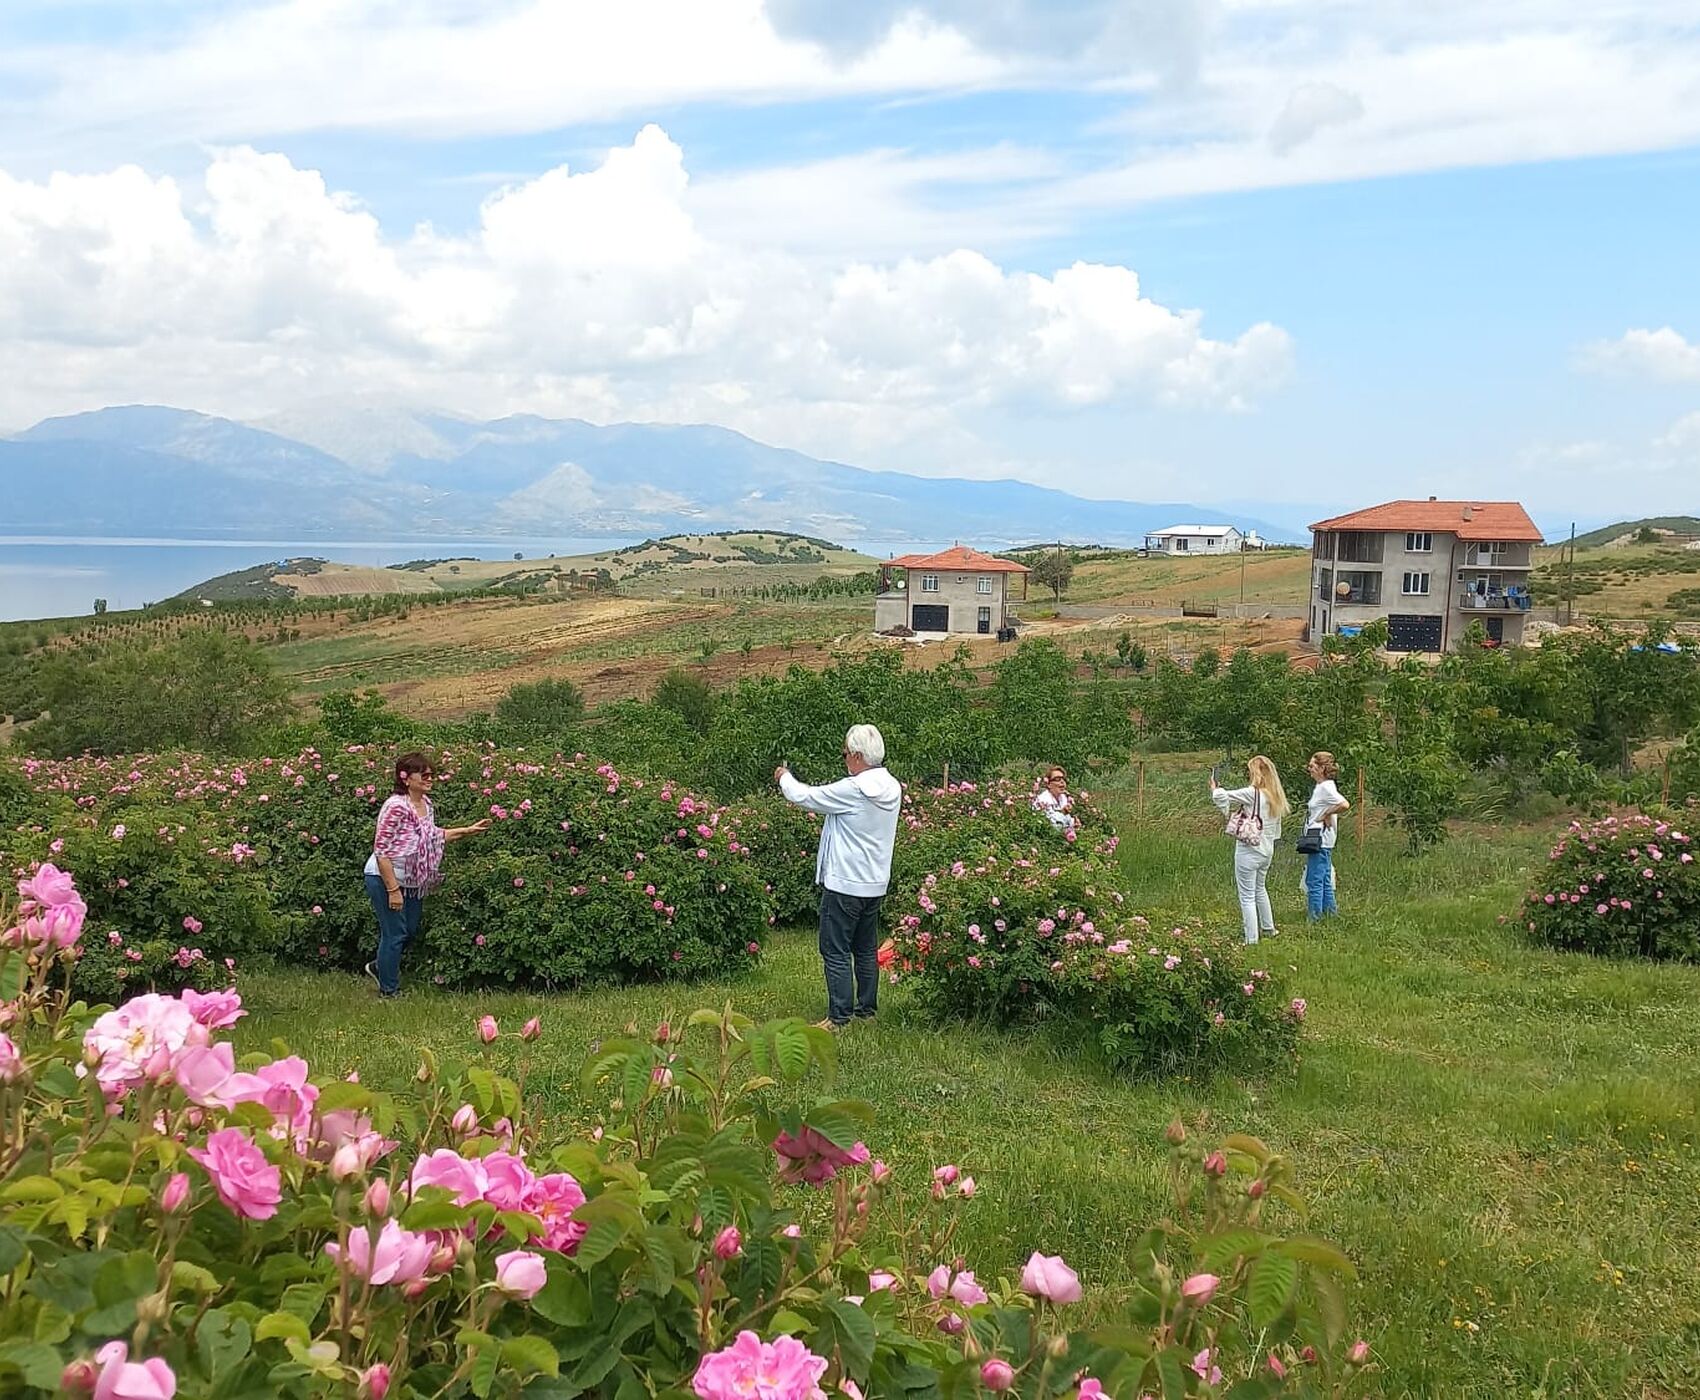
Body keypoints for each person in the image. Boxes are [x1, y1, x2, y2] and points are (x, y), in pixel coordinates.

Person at [775, 724, 903, 1029]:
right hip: (874, 883)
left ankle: (839, 1017)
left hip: (845, 882)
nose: (844, 759)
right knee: (864, 949)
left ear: (857, 755)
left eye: (845, 753)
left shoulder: (854, 790)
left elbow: (806, 796)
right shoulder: (893, 787)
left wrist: (784, 777)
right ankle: (867, 1010)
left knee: (834, 950)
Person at [364, 751, 490, 997]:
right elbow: (382, 852)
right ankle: (389, 991)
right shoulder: (395, 807)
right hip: (385, 877)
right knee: (395, 933)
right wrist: (393, 891)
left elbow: (432, 836)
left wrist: (468, 830)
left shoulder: (426, 805)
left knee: (409, 931)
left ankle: (380, 966)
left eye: (431, 774)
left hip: (412, 880)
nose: (430, 778)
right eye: (424, 774)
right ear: (405, 778)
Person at [1209, 755, 1290, 945]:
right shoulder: (1275, 795)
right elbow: (1276, 829)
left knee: (1246, 896)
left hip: (1248, 850)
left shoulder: (1252, 793)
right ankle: (1269, 928)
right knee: (1260, 889)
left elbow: (1221, 796)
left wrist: (1214, 787)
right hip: (1267, 849)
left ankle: (1251, 939)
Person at [1301, 751, 1350, 921]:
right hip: (1323, 839)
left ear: (1322, 768)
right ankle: (1331, 913)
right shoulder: (1322, 787)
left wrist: (1326, 813)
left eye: (1312, 766)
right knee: (1325, 878)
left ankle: (1314, 918)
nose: (1310, 769)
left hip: (1319, 839)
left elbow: (1344, 804)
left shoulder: (1326, 787)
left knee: (1314, 880)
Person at [1032, 766, 1077, 832]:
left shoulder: (1063, 798)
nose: (1062, 782)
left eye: (1063, 779)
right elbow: (1049, 826)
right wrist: (1063, 813)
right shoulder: (1042, 800)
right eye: (1057, 779)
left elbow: (1067, 821)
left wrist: (1074, 823)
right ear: (1048, 784)